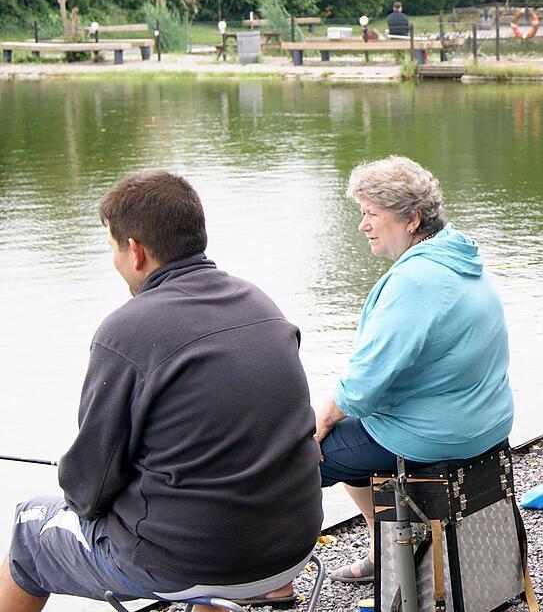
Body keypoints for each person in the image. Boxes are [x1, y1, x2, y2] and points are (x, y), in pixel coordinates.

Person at [1, 171, 322, 612]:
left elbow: (88, 489)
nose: (113, 259)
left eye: (112, 246)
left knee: (27, 531)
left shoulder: (127, 330)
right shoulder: (260, 304)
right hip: (292, 547)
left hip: (193, 562)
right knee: (198, 513)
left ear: (135, 250)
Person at [314, 155, 514, 583]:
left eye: (371, 214)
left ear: (412, 219)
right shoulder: (459, 259)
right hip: (485, 424)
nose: (363, 225)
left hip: (439, 436)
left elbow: (360, 389)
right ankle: (383, 547)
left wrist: (318, 425)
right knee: (355, 433)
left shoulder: (416, 281)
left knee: (295, 461)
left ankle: (271, 577)